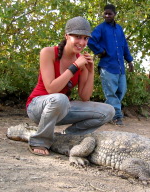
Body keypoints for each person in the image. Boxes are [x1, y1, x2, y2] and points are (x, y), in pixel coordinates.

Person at [26, 16, 115, 156]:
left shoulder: (81, 62)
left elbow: (84, 97)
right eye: (78, 37)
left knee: (109, 111)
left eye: (85, 38)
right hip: (38, 106)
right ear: (67, 36)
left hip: (62, 108)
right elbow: (51, 89)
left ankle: (67, 136)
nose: (82, 42)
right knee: (61, 98)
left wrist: (90, 71)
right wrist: (74, 67)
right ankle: (40, 141)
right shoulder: (48, 52)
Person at [88, 4, 134, 126]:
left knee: (121, 91)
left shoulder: (119, 29)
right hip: (107, 66)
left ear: (115, 14)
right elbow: (90, 40)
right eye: (105, 13)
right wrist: (100, 51)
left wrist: (129, 61)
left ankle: (107, 113)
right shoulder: (100, 28)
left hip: (119, 67)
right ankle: (116, 117)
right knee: (111, 93)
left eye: (110, 13)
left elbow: (124, 46)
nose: (107, 15)